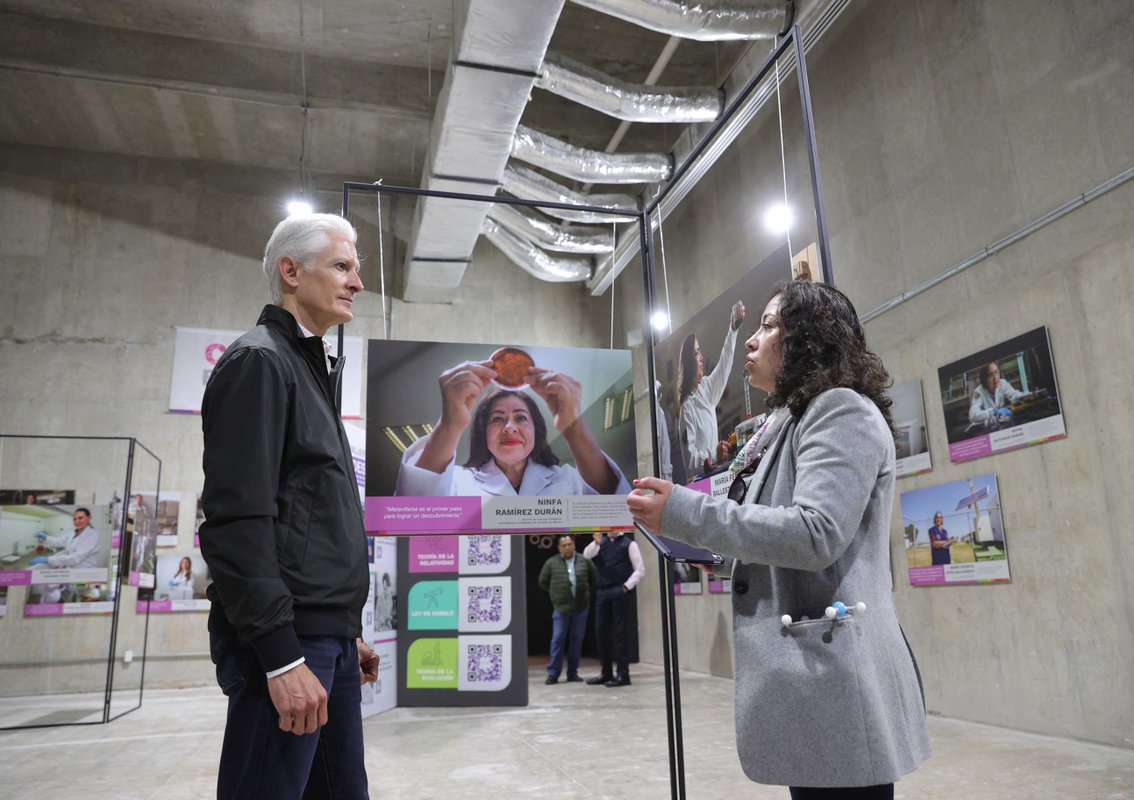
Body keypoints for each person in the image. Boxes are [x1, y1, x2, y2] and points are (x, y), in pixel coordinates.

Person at [629, 280, 930, 797]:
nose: (751, 339)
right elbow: (785, 534)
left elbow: (817, 533)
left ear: (808, 339)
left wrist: (685, 511)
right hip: (816, 680)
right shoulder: (790, 420)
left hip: (834, 680)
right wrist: (722, 557)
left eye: (767, 326)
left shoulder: (840, 410)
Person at [199, 212, 378, 800]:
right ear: (291, 271)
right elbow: (238, 522)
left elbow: (309, 519)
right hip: (287, 644)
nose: (357, 282)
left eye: (357, 269)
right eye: (343, 266)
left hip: (326, 638)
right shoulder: (261, 362)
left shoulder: (309, 368)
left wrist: (344, 629)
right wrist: (280, 658)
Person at [395, 365, 630, 497]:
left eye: (520, 418)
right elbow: (412, 508)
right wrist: (449, 425)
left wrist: (574, 428)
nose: (509, 427)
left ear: (536, 431)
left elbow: (616, 504)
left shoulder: (568, 480)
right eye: (497, 419)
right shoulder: (458, 481)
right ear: (482, 432)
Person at [677, 301, 746, 477]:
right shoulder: (687, 408)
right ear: (688, 363)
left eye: (700, 351)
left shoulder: (706, 387)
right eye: (695, 353)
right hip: (699, 486)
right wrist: (713, 454)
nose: (701, 357)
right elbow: (690, 460)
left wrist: (733, 330)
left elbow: (724, 365)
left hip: (715, 478)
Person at [583, 530, 645, 687]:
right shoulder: (601, 543)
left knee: (620, 633)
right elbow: (586, 555)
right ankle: (606, 673)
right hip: (603, 591)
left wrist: (626, 586)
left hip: (619, 590)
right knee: (600, 632)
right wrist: (596, 542)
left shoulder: (629, 544)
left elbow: (640, 569)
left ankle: (623, 675)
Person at [537, 533, 598, 684]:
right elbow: (543, 582)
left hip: (580, 608)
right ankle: (553, 674)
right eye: (564, 545)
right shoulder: (551, 563)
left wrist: (586, 594)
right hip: (560, 608)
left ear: (574, 545)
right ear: (559, 548)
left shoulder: (585, 561)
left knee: (576, 641)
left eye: (569, 544)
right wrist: (556, 595)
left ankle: (573, 673)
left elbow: (594, 579)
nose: (567, 547)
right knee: (557, 640)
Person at [32, 508, 103, 569]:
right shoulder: (73, 532)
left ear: (88, 518)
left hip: (85, 571)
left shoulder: (93, 535)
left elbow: (75, 558)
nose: (76, 521)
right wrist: (46, 537)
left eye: (80, 518)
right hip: (73, 570)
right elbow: (59, 541)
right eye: (74, 519)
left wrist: (48, 559)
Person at [968, 361, 1029, 425]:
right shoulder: (979, 392)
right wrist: (993, 412)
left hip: (1002, 423)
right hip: (987, 428)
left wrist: (1027, 396)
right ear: (984, 379)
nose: (995, 378)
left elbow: (1014, 395)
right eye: (991, 375)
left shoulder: (1003, 383)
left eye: (996, 372)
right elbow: (972, 416)